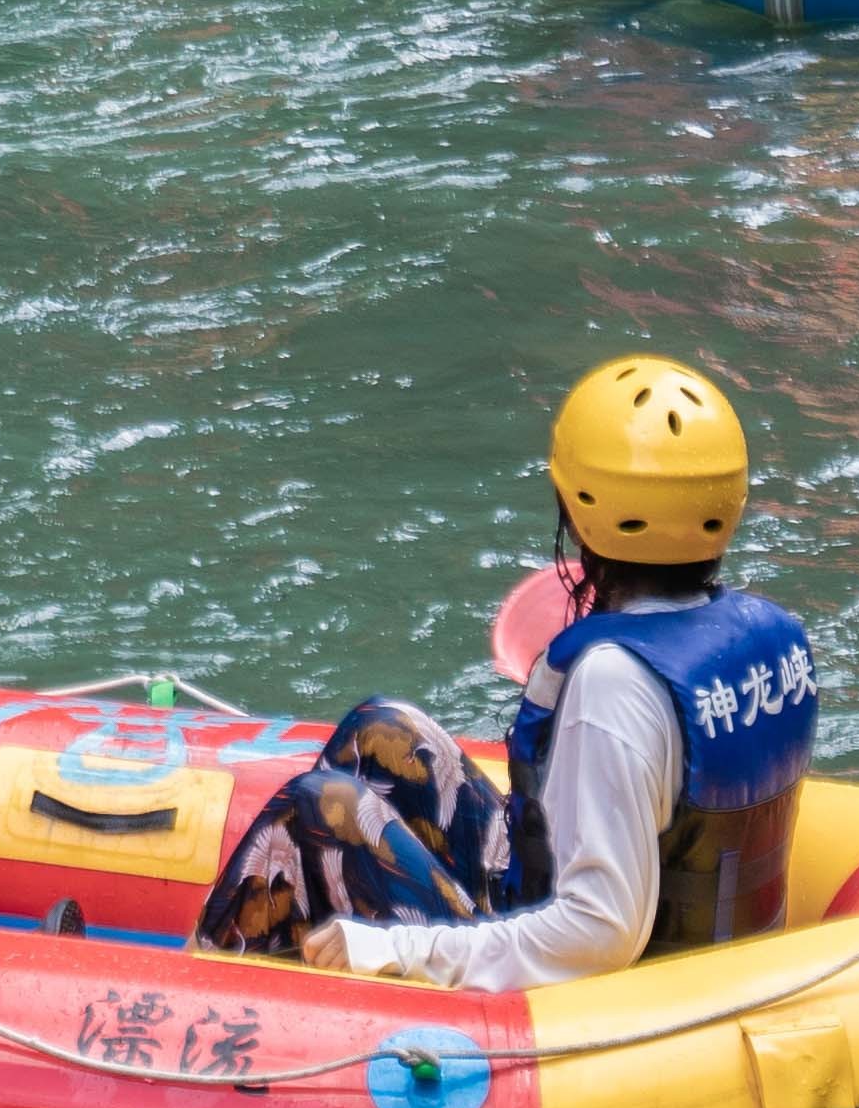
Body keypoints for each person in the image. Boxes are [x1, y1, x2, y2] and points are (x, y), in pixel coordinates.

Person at [191, 357, 814, 988]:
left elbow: (600, 933)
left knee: (319, 806)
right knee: (383, 729)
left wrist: (396, 949)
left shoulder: (615, 683)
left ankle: (201, 997)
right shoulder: (770, 635)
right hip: (697, 958)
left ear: (578, 514)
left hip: (621, 1000)